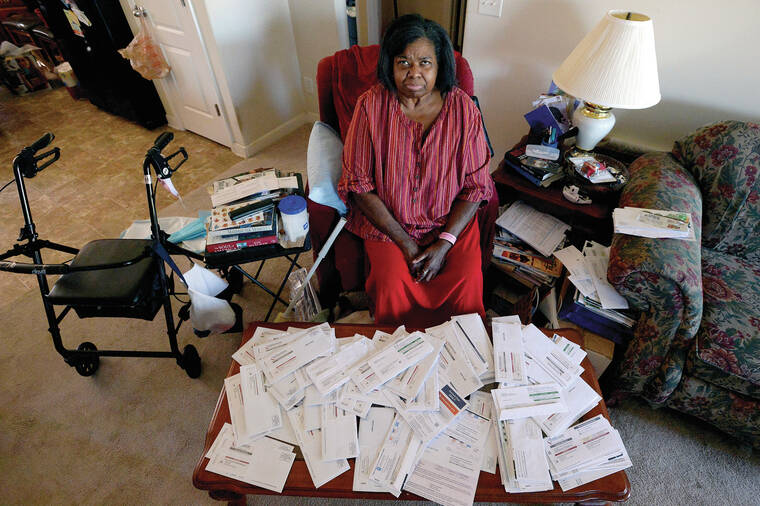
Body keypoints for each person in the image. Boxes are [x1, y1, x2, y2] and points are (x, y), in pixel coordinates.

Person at [338, 14, 494, 328]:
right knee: (391, 287)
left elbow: (477, 187)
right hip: (389, 227)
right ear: (390, 65)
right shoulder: (370, 106)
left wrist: (444, 243)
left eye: (425, 62)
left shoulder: (464, 110)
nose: (414, 73)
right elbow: (359, 184)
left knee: (466, 287)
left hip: (450, 226)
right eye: (403, 62)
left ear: (440, 67)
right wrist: (407, 244)